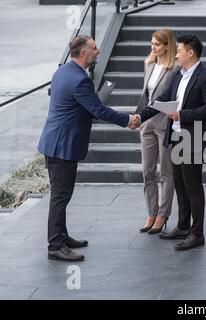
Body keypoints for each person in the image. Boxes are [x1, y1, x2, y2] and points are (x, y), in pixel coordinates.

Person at [38, 35, 140, 262]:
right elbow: (99, 111)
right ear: (83, 53)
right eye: (94, 48)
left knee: (60, 194)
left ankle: (61, 236)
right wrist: (128, 120)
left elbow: (75, 105)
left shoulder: (63, 71)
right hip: (62, 145)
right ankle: (55, 245)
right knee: (60, 196)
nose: (98, 51)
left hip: (54, 141)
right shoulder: (79, 79)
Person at [137, 34, 206, 251]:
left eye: (180, 50)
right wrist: (140, 117)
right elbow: (161, 100)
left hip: (192, 138)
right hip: (174, 137)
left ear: (191, 53)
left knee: (193, 187)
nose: (177, 54)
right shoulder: (177, 76)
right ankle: (183, 226)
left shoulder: (205, 77)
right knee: (180, 185)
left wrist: (183, 115)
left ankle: (197, 232)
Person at [136, 29, 179, 235]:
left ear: (167, 46)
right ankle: (151, 213)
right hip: (147, 123)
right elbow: (146, 95)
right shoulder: (148, 64)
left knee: (166, 172)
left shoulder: (175, 68)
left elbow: (166, 98)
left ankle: (163, 214)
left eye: (157, 44)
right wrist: (138, 118)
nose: (153, 47)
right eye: (152, 43)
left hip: (164, 123)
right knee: (148, 171)